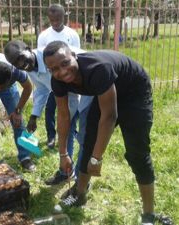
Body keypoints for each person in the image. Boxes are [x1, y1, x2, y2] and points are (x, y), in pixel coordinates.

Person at [43, 41, 156, 224]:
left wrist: (97, 158)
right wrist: (63, 153)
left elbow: (109, 116)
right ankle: (79, 194)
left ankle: (149, 213)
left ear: (73, 55)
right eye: (54, 69)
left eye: (65, 63)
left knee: (137, 153)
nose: (62, 72)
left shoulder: (98, 69)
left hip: (135, 92)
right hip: (105, 92)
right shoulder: (58, 81)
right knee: (88, 142)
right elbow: (63, 116)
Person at [4, 40, 93, 185]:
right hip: (71, 95)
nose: (20, 64)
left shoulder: (50, 59)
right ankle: (66, 172)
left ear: (28, 48)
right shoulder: (30, 67)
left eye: (20, 57)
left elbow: (70, 90)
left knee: (85, 136)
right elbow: (42, 89)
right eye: (15, 63)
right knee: (66, 132)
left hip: (89, 92)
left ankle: (82, 181)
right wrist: (34, 115)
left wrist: (66, 118)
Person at [38, 3, 81, 149]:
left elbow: (76, 55)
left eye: (58, 19)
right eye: (52, 20)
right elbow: (42, 59)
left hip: (70, 78)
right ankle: (51, 136)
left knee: (72, 109)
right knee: (50, 109)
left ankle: (71, 132)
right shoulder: (44, 36)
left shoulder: (72, 34)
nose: (55, 23)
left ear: (64, 17)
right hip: (54, 81)